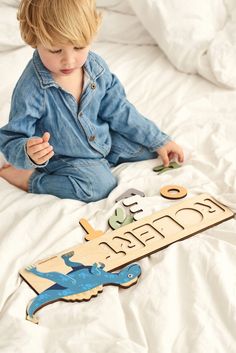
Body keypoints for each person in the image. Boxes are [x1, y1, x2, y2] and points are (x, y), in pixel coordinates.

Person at [0, 0, 184, 202]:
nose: (69, 60)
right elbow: (11, 138)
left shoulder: (95, 67)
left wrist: (158, 139)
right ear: (34, 39)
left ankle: (104, 161)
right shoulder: (32, 89)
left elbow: (119, 110)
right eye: (55, 50)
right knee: (98, 187)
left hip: (102, 139)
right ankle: (30, 181)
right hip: (65, 157)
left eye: (79, 47)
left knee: (149, 149)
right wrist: (28, 152)